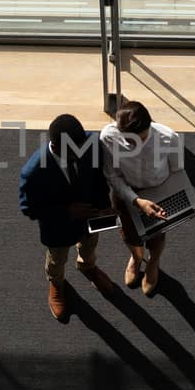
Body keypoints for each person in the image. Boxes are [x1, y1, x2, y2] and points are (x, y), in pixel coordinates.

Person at [18, 113, 114, 321]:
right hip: (58, 228)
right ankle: (56, 283)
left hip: (91, 218)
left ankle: (87, 266)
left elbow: (98, 178)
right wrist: (66, 211)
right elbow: (28, 208)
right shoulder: (34, 171)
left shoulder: (90, 144)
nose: (81, 152)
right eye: (74, 151)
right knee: (57, 259)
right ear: (56, 146)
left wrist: (105, 205)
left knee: (89, 247)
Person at [99, 100, 182, 297]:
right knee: (128, 234)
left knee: (157, 236)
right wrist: (136, 200)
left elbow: (177, 171)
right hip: (126, 193)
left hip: (158, 191)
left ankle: (153, 262)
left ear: (149, 125)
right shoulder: (108, 137)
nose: (134, 145)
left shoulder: (168, 138)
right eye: (129, 141)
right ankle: (136, 258)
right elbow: (112, 175)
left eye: (140, 139)